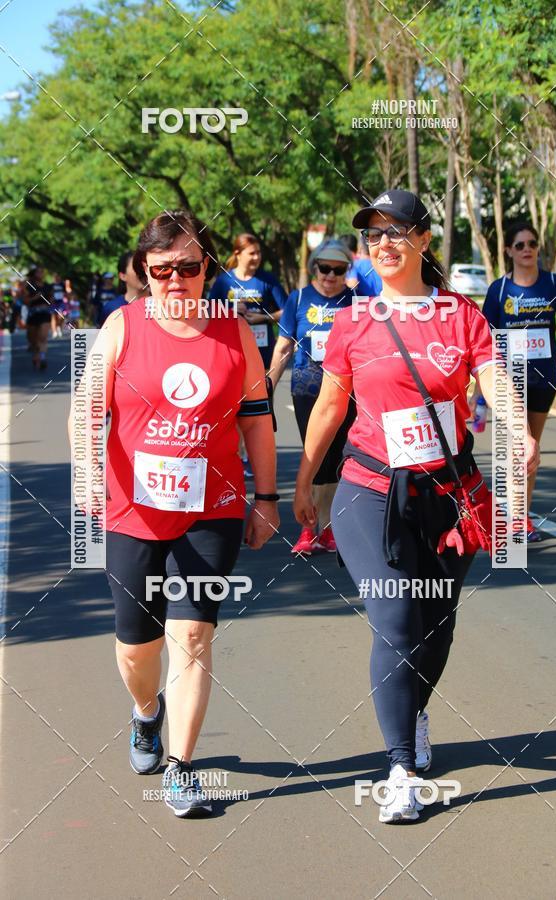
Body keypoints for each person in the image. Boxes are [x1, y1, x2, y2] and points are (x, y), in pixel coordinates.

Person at [294, 189, 539, 823]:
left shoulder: (462, 317)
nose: (383, 243)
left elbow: (495, 384)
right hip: (370, 488)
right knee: (396, 617)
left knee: (436, 622)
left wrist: (518, 431)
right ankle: (399, 767)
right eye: (372, 235)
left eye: (396, 231)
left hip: (448, 495)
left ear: (424, 240)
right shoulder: (353, 320)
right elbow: (328, 405)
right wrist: (301, 482)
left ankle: (415, 707)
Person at [69, 209, 279, 818]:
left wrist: (264, 498)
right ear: (145, 271)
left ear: (208, 269)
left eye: (190, 267)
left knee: (191, 634)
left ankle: (182, 768)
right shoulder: (120, 327)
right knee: (138, 646)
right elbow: (86, 413)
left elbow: (256, 422)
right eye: (163, 270)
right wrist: (86, 475)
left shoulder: (234, 332)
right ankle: (145, 712)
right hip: (132, 509)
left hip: (210, 507)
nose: (177, 281)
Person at [481, 222, 556, 542]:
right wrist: (480, 388)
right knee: (518, 445)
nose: (528, 249)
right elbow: (484, 335)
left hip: (543, 378)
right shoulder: (499, 290)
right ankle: (515, 519)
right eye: (521, 244)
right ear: (509, 251)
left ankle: (521, 516)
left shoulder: (553, 283)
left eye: (532, 244)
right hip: (507, 380)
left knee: (531, 449)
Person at [270, 239, 356, 554]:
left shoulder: (358, 299)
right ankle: (308, 531)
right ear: (314, 268)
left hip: (345, 389)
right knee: (313, 457)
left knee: (336, 458)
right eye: (325, 269)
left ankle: (330, 529)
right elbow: (283, 347)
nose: (330, 276)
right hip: (307, 387)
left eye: (339, 270)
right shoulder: (299, 298)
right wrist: (269, 385)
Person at [208, 233, 287, 370]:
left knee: (260, 391)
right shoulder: (224, 281)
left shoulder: (268, 279)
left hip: (262, 352)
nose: (257, 257)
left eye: (258, 253)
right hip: (232, 350)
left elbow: (287, 311)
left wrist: (265, 317)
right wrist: (229, 309)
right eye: (251, 253)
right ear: (237, 254)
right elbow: (208, 311)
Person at [97, 251, 148, 326]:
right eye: (136, 267)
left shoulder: (161, 306)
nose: (143, 271)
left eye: (145, 266)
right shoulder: (112, 309)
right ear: (122, 276)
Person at [23, 266, 52, 369]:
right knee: (33, 339)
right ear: (34, 274)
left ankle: (43, 358)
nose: (41, 274)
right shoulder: (29, 286)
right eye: (38, 272)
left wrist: (50, 301)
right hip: (33, 314)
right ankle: (36, 355)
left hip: (45, 313)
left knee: (43, 337)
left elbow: (51, 301)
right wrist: (35, 297)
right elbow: (25, 301)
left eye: (42, 272)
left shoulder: (48, 286)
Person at [50, 273, 66, 338]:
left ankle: (59, 327)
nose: (57, 278)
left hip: (61, 302)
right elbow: (49, 293)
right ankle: (54, 332)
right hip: (53, 302)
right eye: (55, 277)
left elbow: (66, 293)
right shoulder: (51, 285)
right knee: (53, 316)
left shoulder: (62, 285)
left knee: (60, 316)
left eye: (58, 276)